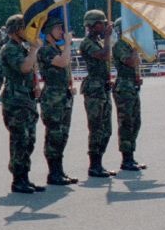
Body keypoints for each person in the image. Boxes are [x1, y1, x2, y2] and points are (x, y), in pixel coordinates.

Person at [0, 14, 45, 194]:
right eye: (24, 28)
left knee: (29, 139)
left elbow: (31, 70)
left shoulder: (22, 48)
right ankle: (18, 179)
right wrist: (34, 49)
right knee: (20, 139)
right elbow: (24, 67)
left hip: (26, 98)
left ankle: (25, 176)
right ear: (16, 30)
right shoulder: (9, 49)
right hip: (15, 99)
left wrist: (35, 86)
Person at [39, 17, 78, 185]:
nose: (61, 32)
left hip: (63, 95)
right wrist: (68, 44)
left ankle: (59, 170)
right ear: (48, 32)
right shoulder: (46, 50)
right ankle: (53, 172)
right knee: (54, 134)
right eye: (58, 28)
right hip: (53, 97)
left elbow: (66, 66)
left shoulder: (55, 48)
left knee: (63, 134)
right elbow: (63, 62)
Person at [78, 10, 117, 178]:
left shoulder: (98, 41)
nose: (105, 26)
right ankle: (94, 165)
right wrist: (108, 38)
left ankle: (99, 162)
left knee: (106, 129)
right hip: (94, 89)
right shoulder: (87, 43)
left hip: (102, 87)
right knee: (96, 128)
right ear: (93, 26)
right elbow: (105, 56)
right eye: (102, 23)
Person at [112, 24, 146, 172]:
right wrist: (135, 49)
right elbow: (130, 61)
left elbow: (135, 64)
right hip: (124, 88)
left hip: (132, 86)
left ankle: (131, 155)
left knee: (136, 121)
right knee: (126, 123)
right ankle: (126, 159)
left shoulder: (130, 45)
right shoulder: (120, 45)